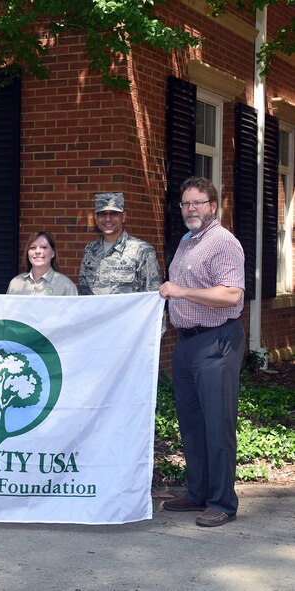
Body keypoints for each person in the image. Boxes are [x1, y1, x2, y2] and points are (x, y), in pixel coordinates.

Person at [159, 177, 246, 528]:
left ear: (213, 205)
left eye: (198, 202)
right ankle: (197, 492)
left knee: (217, 422)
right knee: (192, 423)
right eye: (186, 204)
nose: (191, 209)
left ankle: (222, 501)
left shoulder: (224, 243)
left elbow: (231, 295)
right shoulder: (187, 240)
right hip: (188, 343)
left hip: (217, 341)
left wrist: (181, 291)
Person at [79, 192, 162, 295]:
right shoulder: (90, 250)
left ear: (123, 216)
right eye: (102, 214)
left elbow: (152, 295)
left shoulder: (142, 251)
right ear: (96, 218)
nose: (108, 219)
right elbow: (84, 293)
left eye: (114, 213)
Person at [7, 231, 77, 295]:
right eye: (33, 247)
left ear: (53, 253)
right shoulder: (15, 283)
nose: (37, 251)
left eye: (43, 247)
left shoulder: (66, 285)